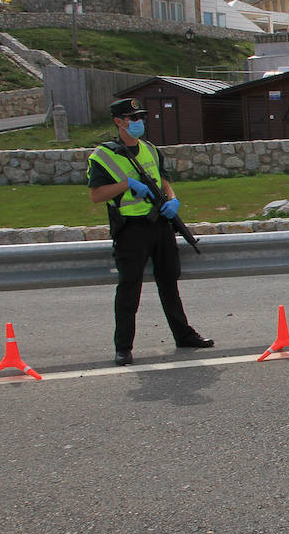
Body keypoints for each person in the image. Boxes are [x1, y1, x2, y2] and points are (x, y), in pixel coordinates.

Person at [88, 98, 213, 365]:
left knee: (169, 282)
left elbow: (164, 181)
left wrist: (172, 199)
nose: (138, 123)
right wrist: (126, 184)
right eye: (132, 119)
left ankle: (184, 335)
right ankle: (123, 347)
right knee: (129, 288)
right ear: (118, 122)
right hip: (130, 229)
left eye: (140, 117)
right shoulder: (103, 155)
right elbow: (96, 195)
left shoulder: (151, 150)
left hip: (160, 225)